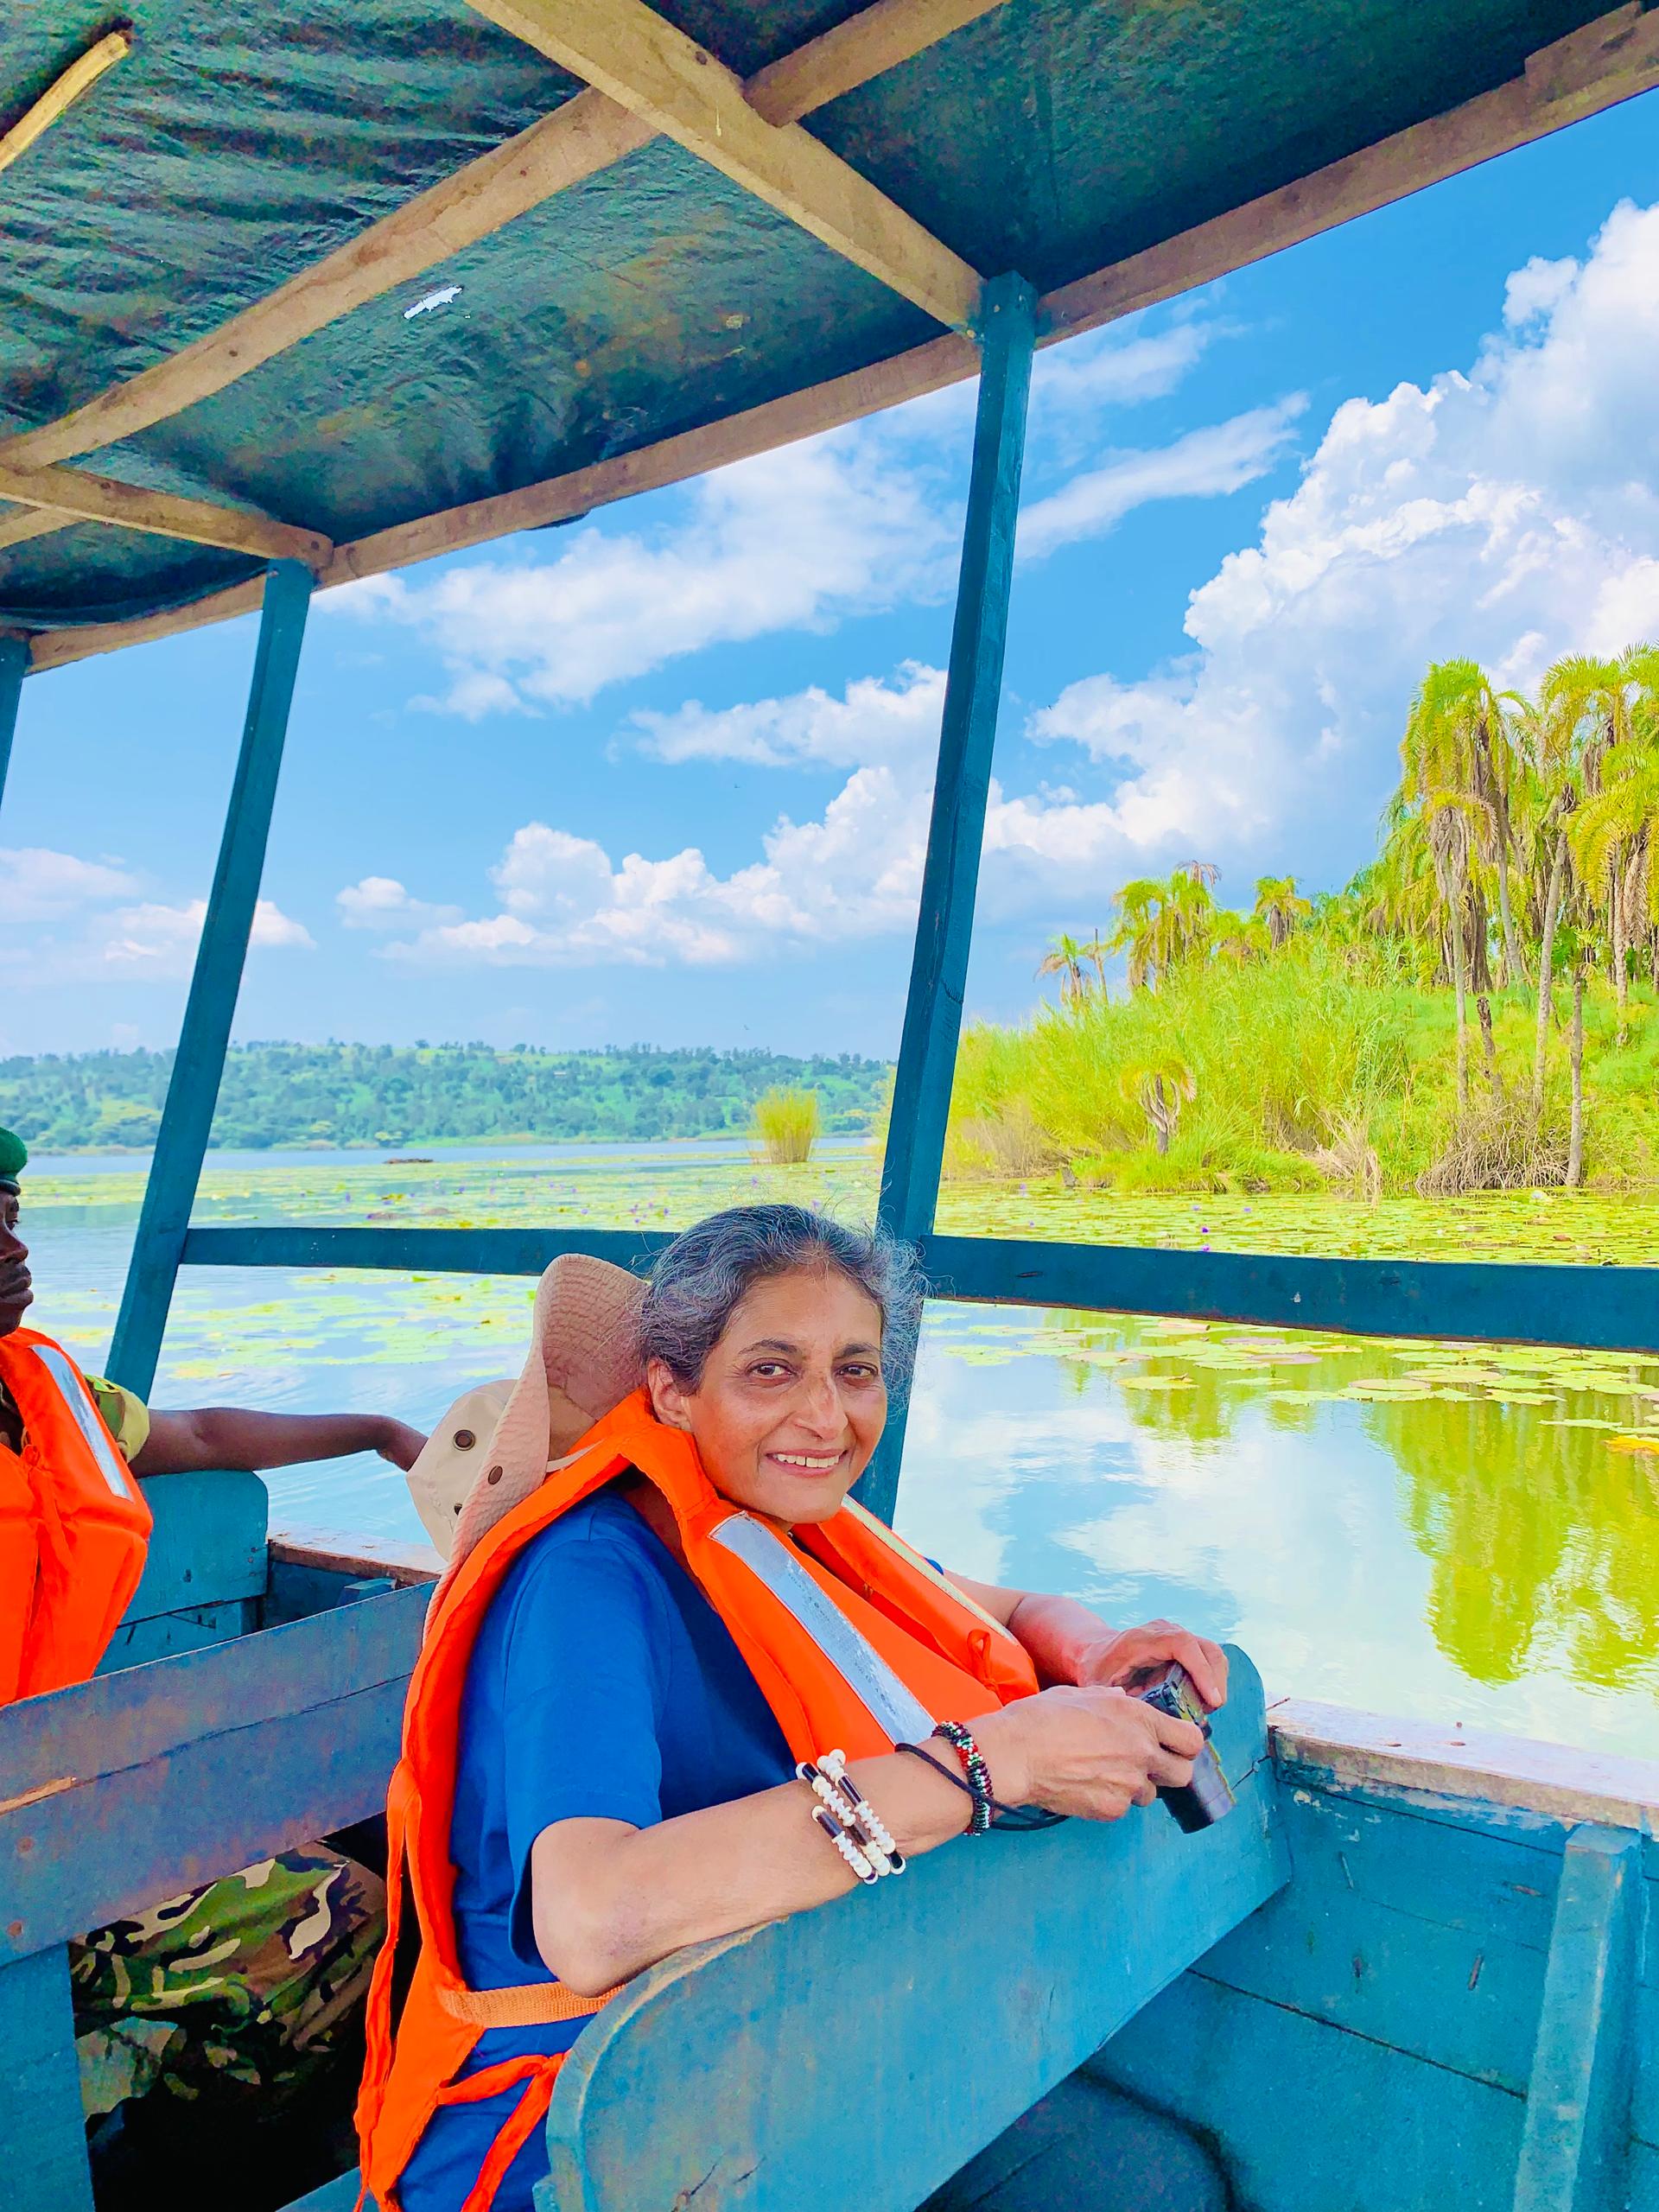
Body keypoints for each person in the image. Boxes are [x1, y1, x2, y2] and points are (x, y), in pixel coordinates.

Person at [359, 1207, 1232, 2212]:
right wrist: (990, 1762)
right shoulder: (587, 1577)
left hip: (791, 2054)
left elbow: (1008, 1610)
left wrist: (1091, 1649)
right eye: (772, 1369)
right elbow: (592, 1920)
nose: (827, 1417)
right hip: (586, 2138)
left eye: (855, 1370)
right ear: (672, 1391)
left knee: (1157, 2178)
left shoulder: (787, 1527)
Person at [0, 1127, 425, 2160]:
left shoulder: (45, 1392)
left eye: (9, 1211)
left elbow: (199, 1437)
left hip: (51, 1790)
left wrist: (375, 1427)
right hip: (26, 1847)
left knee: (371, 1862)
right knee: (340, 1913)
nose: (13, 1244)